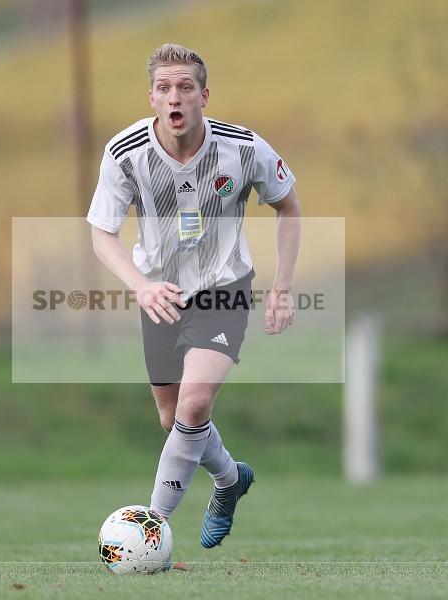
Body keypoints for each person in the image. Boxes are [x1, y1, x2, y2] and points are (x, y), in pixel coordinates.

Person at [87, 43, 301, 549]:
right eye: (163, 88)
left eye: (184, 87)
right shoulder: (125, 153)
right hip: (159, 294)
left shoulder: (244, 148)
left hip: (224, 289)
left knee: (195, 401)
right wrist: (140, 287)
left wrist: (284, 289)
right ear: (152, 98)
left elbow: (288, 206)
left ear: (204, 95)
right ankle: (230, 480)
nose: (174, 96)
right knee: (173, 418)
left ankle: (149, 526)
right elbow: (101, 233)